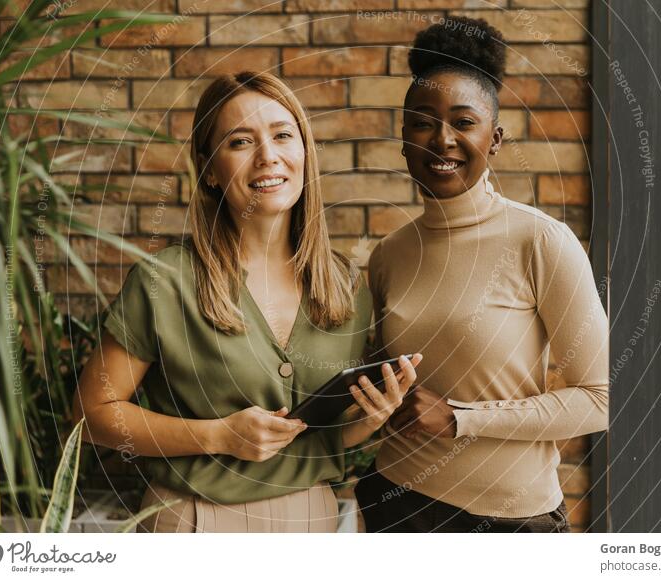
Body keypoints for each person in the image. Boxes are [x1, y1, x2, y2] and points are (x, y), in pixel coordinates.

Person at [72, 72, 421, 533]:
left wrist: (370, 419)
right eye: (241, 142)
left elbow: (322, 440)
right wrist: (217, 435)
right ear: (211, 169)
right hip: (194, 519)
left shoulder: (344, 284)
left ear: (303, 152)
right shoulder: (165, 282)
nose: (268, 157)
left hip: (313, 518)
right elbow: (91, 415)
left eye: (282, 135)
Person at [355, 17, 609, 533]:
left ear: (494, 139)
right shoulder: (389, 254)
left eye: (463, 122)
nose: (442, 139)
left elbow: (602, 399)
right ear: (403, 137)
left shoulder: (540, 241)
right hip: (396, 505)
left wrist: (460, 418)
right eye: (423, 121)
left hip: (510, 523)